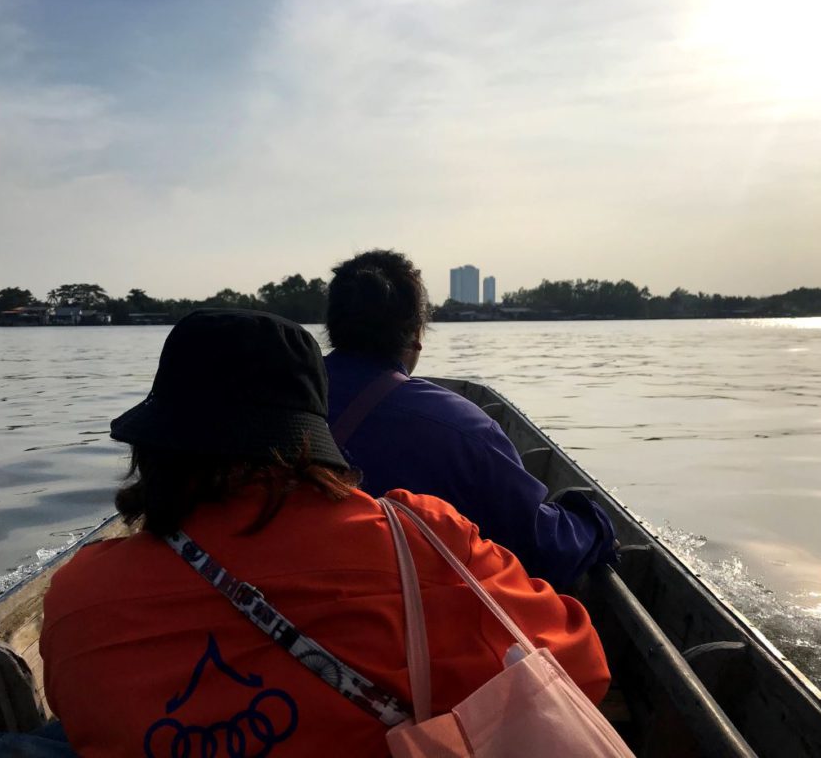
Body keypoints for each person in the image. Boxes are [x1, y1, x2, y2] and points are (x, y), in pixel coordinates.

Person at [40, 309, 610, 757]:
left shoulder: (75, 595)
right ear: (311, 439)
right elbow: (580, 672)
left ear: (154, 445)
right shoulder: (422, 542)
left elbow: (79, 719)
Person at [325, 250, 617, 587]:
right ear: (417, 335)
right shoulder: (462, 429)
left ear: (333, 329)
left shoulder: (271, 401)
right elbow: (539, 550)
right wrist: (592, 524)